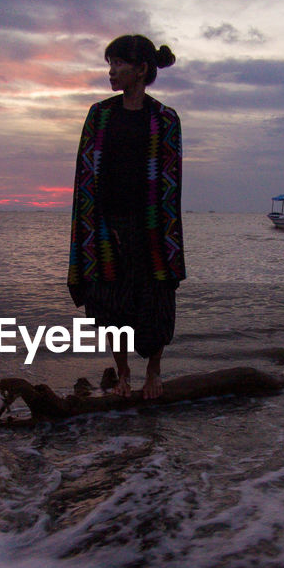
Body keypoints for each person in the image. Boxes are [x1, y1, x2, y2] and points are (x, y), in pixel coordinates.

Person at [67, 34, 184, 399]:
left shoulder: (165, 119)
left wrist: (157, 232)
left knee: (155, 301)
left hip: (153, 229)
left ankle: (153, 372)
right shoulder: (100, 114)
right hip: (105, 225)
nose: (112, 72)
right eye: (110, 64)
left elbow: (170, 181)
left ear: (141, 69)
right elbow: (86, 175)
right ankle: (122, 375)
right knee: (109, 306)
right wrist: (99, 225)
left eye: (118, 64)